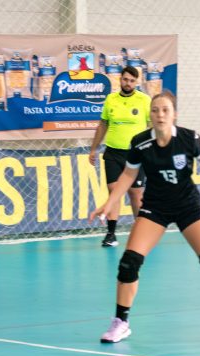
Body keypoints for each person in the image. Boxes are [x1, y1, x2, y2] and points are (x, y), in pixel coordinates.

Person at [89, 91, 200, 343]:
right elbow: (128, 175)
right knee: (129, 263)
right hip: (155, 208)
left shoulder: (188, 138)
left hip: (188, 207)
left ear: (174, 115)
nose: (159, 115)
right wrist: (109, 203)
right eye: (155, 110)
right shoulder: (140, 142)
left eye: (165, 110)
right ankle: (121, 322)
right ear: (150, 115)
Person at [89, 66, 151, 247]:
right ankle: (111, 234)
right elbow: (103, 125)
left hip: (136, 154)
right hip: (113, 153)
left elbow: (151, 127)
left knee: (136, 194)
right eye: (125, 79)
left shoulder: (144, 100)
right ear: (120, 79)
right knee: (114, 192)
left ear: (136, 82)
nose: (128, 83)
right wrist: (93, 149)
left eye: (132, 81)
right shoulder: (111, 99)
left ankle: (141, 233)